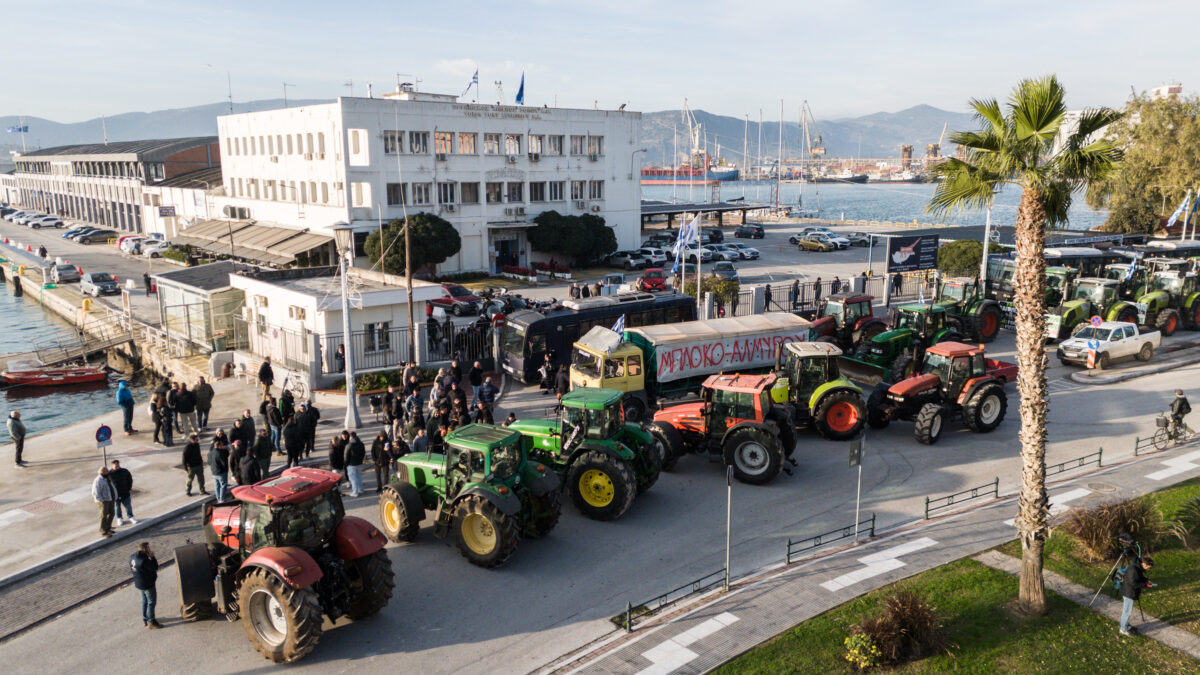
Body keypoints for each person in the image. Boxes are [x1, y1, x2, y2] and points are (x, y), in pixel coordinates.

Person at [1120, 555, 1155, 636]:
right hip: (1129, 593)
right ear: (1144, 564)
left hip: (1130, 592)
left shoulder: (1137, 567)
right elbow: (1134, 583)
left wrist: (1146, 580)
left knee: (1127, 611)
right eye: (1148, 567)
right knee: (1127, 612)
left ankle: (1126, 625)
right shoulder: (1134, 569)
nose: (1148, 569)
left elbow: (1139, 577)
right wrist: (1145, 585)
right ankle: (1123, 629)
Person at [129, 542, 161, 629]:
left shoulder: (132, 557)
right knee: (151, 602)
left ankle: (145, 619)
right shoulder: (144, 561)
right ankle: (151, 621)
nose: (150, 549)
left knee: (144, 601)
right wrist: (152, 557)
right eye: (149, 548)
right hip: (147, 584)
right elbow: (155, 567)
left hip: (139, 583)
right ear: (145, 550)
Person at [109, 459, 137, 526]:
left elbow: (130, 479)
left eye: (117, 465)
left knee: (128, 506)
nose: (117, 467)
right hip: (115, 495)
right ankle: (119, 518)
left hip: (125, 493)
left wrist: (129, 488)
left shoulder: (124, 471)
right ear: (112, 466)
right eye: (115, 466)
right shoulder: (109, 474)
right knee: (117, 507)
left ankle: (131, 516)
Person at [92, 467, 117, 537]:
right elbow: (95, 492)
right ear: (102, 473)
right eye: (106, 472)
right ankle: (103, 530)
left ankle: (108, 528)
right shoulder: (98, 480)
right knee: (104, 516)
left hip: (110, 499)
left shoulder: (107, 478)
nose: (108, 473)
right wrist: (101, 500)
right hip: (103, 501)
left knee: (112, 513)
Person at [344, 431, 366, 497]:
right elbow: (363, 453)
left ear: (350, 437)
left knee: (353, 478)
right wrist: (361, 460)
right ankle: (361, 489)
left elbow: (346, 456)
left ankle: (355, 492)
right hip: (359, 463)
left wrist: (346, 464)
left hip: (351, 464)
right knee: (359, 476)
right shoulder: (361, 444)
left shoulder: (349, 445)